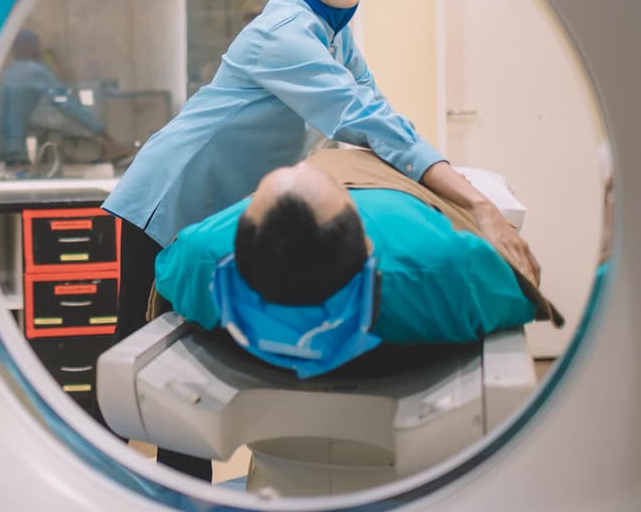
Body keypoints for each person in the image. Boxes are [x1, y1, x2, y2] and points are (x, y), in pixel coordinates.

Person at [100, 0, 537, 477]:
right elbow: (364, 120)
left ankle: (178, 486)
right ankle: (81, 480)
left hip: (217, 209)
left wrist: (441, 182)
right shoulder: (283, 32)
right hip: (168, 196)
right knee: (142, 364)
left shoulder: (335, 31)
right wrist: (475, 204)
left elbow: (380, 114)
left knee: (184, 368)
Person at [153, 148, 560, 379]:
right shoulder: (448, 270)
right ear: (368, 244)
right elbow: (521, 287)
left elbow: (166, 272)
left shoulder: (201, 256)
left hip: (357, 168)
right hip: (391, 188)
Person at [0, 29, 118, 173]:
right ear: (30, 47)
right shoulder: (33, 71)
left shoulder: (4, 72)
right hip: (13, 149)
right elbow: (67, 103)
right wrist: (101, 132)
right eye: (35, 45)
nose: (37, 49)